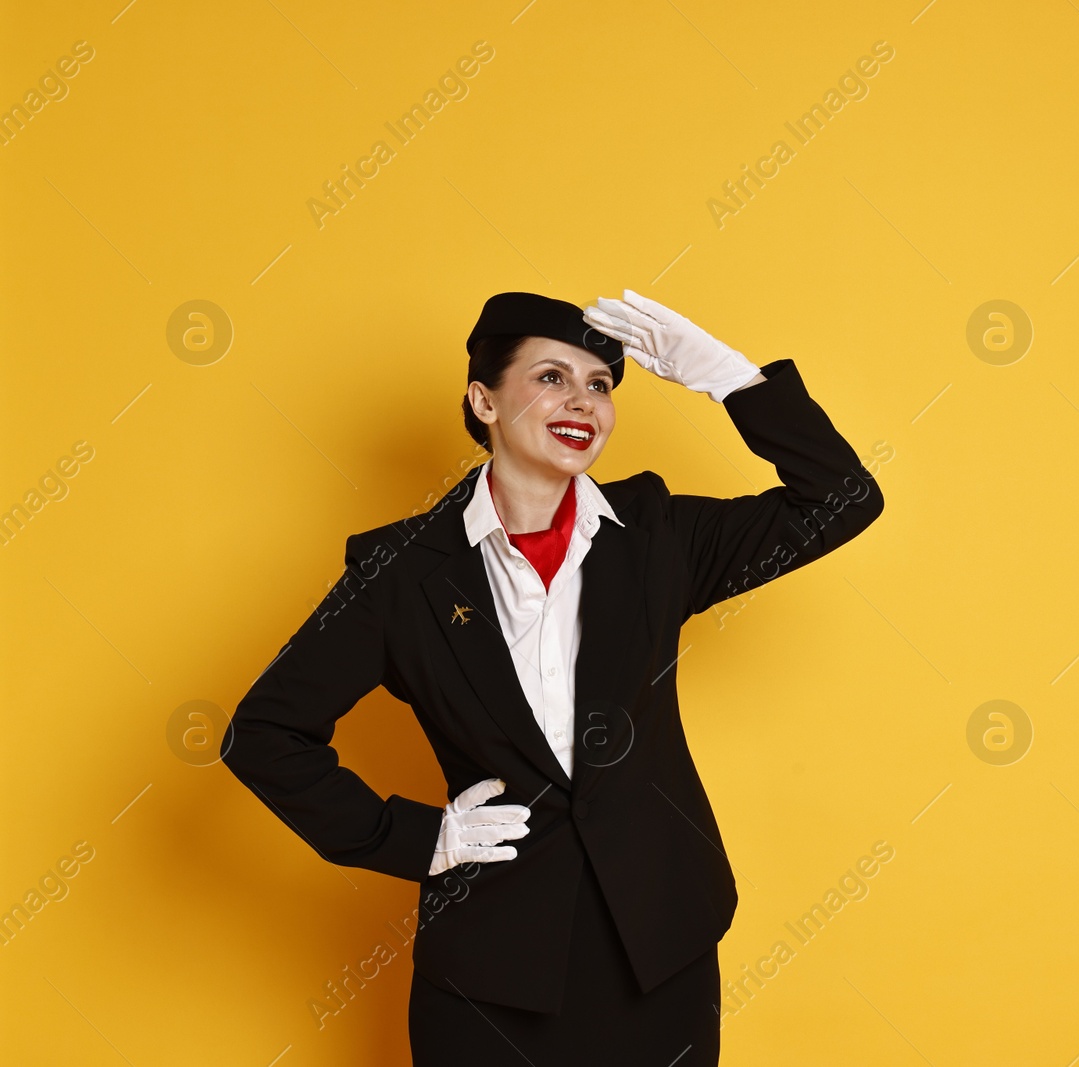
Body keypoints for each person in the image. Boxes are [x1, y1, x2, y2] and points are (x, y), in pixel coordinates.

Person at [221, 289, 885, 1065]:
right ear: (484, 399)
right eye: (550, 377)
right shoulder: (400, 574)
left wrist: (730, 378)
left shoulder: (656, 537)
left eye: (600, 383)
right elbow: (264, 732)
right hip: (490, 964)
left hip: (659, 944)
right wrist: (418, 838)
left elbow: (843, 498)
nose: (582, 401)